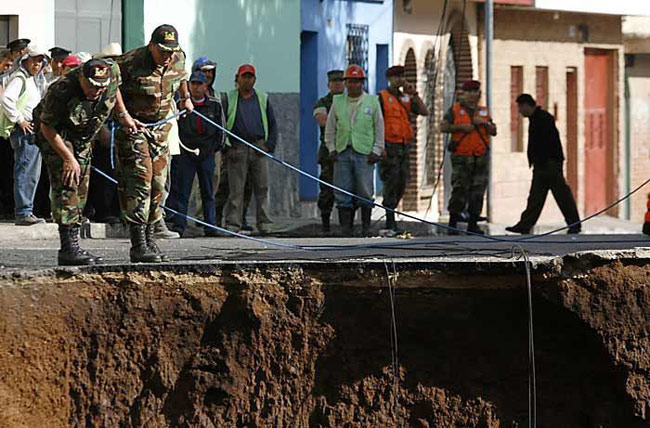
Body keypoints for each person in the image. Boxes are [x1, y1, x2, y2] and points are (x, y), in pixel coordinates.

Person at [38, 59, 130, 265]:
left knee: (82, 185)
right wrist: (68, 158)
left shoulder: (111, 72)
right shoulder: (61, 90)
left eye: (100, 87)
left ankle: (75, 243)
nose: (95, 92)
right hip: (57, 134)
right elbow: (47, 128)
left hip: (83, 134)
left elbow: (114, 89)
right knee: (68, 183)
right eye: (91, 86)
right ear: (81, 76)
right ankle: (68, 249)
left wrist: (124, 116)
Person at [115, 24, 192, 263]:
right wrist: (124, 116)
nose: (167, 55)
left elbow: (182, 76)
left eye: (171, 50)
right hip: (135, 127)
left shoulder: (178, 57)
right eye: (162, 51)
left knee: (159, 185)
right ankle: (138, 244)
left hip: (161, 128)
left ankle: (150, 239)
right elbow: (112, 87)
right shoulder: (130, 62)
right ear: (151, 46)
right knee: (141, 181)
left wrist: (185, 98)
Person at [506, 94, 581, 234]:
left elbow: (547, 142)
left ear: (527, 105)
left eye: (520, 107)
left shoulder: (543, 118)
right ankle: (525, 225)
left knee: (561, 195)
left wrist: (545, 161)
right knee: (536, 196)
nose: (520, 111)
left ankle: (574, 224)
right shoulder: (535, 118)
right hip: (542, 164)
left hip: (549, 164)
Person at [324, 64, 384, 237]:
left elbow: (379, 127)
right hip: (342, 151)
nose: (353, 85)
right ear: (346, 83)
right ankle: (346, 230)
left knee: (365, 191)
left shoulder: (372, 102)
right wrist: (331, 147)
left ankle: (365, 227)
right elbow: (330, 128)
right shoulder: (337, 101)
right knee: (342, 190)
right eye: (350, 81)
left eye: (357, 81)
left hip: (365, 153)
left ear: (362, 83)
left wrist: (377, 149)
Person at [221, 63, 278, 235]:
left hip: (258, 148)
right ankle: (233, 224)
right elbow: (222, 124)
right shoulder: (229, 98)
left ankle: (264, 224)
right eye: (243, 77)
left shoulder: (262, 98)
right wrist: (226, 147)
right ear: (237, 79)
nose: (247, 80)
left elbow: (273, 124)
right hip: (237, 148)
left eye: (250, 77)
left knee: (262, 188)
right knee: (236, 189)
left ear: (255, 79)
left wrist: (269, 146)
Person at [168, 71, 225, 237]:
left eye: (199, 84)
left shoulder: (215, 105)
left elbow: (221, 130)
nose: (196, 87)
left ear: (206, 86)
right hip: (187, 153)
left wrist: (214, 149)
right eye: (193, 83)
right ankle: (180, 225)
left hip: (207, 153)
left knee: (208, 191)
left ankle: (210, 225)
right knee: (183, 191)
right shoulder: (181, 104)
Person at [440, 80, 497, 235]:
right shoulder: (455, 110)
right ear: (463, 94)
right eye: (470, 92)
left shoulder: (483, 111)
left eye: (475, 91)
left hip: (480, 156)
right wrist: (460, 127)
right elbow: (443, 127)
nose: (473, 95)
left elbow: (493, 131)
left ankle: (473, 223)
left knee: (478, 190)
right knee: (460, 189)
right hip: (462, 156)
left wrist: (484, 123)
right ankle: (453, 223)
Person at [1, 45, 48, 225]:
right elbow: (6, 100)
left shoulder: (32, 79)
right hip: (24, 130)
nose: (37, 63)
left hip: (30, 129)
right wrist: (20, 119)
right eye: (34, 59)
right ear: (26, 60)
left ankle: (26, 210)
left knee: (31, 171)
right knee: (27, 170)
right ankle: (23, 212)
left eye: (40, 60)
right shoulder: (20, 78)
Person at [378, 65, 429, 235]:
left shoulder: (406, 97)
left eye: (401, 76)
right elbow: (376, 123)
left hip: (403, 146)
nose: (399, 79)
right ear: (389, 79)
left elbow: (424, 111)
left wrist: (414, 94)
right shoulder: (382, 97)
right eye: (396, 77)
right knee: (390, 183)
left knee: (401, 183)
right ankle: (389, 221)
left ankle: (392, 217)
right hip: (389, 146)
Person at [313, 69, 344, 235]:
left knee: (348, 189)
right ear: (328, 84)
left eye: (341, 81)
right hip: (329, 153)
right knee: (327, 189)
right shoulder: (323, 102)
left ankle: (347, 226)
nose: (338, 84)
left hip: (348, 149)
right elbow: (322, 120)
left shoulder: (351, 101)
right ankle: (326, 226)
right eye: (335, 81)